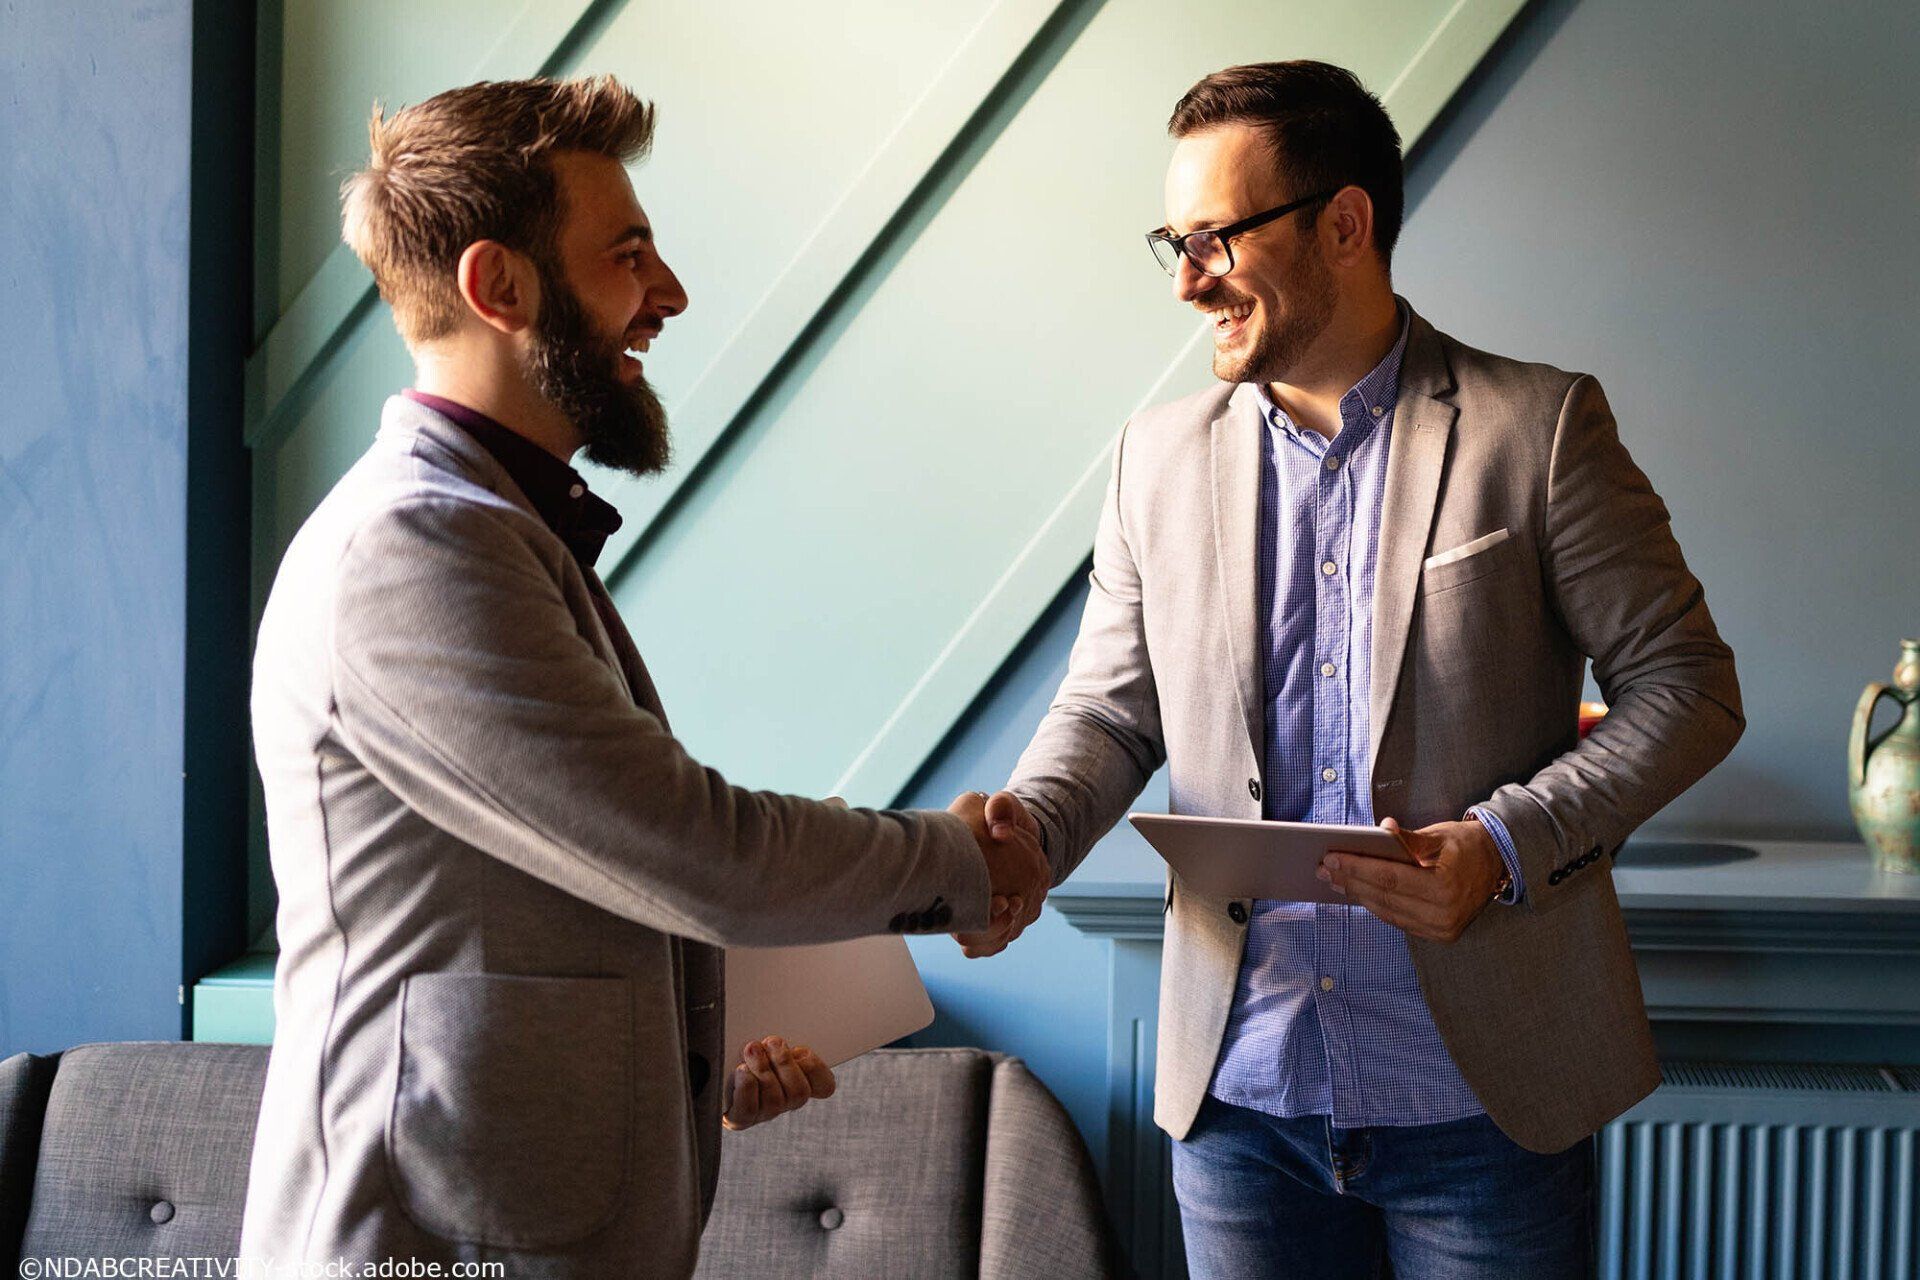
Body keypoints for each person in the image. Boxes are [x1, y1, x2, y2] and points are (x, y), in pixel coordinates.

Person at [240, 76, 1049, 1277]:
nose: (668, 295)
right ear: (498, 286)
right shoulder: (415, 547)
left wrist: (690, 1061)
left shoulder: (489, 528)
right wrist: (963, 866)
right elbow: (688, 845)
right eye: (629, 255)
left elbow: (546, 890)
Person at [965, 61, 1742, 1277]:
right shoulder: (1152, 461)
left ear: (1344, 223)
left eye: (1215, 237)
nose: (1185, 278)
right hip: (1237, 1101)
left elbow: (1688, 686)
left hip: (1485, 1107)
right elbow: (1111, 714)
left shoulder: (1537, 430)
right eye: (1174, 240)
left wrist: (1502, 843)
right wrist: (1020, 837)